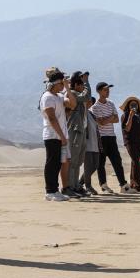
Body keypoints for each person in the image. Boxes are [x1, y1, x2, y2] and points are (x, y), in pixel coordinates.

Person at [91, 82, 130, 194]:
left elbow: (116, 119)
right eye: (105, 90)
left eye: (108, 90)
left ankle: (123, 185)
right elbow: (101, 122)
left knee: (117, 161)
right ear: (99, 91)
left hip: (111, 137)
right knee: (101, 163)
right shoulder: (95, 107)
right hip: (101, 138)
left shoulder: (111, 103)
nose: (107, 92)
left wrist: (106, 119)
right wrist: (109, 118)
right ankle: (103, 185)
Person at [40, 71, 70, 201]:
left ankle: (55, 190)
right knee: (52, 163)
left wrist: (68, 88)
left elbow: (72, 104)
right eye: (62, 83)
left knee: (57, 163)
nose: (63, 85)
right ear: (56, 83)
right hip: (52, 135)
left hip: (58, 135)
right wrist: (62, 136)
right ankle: (50, 191)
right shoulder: (47, 97)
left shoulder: (58, 96)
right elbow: (52, 119)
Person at [66, 71, 92, 196]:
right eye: (81, 84)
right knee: (73, 161)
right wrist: (86, 81)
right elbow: (86, 97)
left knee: (78, 161)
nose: (83, 87)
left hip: (81, 130)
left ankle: (76, 186)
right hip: (75, 130)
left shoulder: (77, 93)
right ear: (76, 85)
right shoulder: (72, 94)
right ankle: (70, 186)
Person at [120, 96, 140, 192]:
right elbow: (127, 128)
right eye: (132, 104)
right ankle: (138, 185)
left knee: (134, 162)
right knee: (136, 161)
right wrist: (131, 116)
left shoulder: (139, 117)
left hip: (139, 142)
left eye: (135, 104)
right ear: (128, 106)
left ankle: (132, 184)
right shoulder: (125, 115)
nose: (134, 106)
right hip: (130, 142)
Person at [84, 96, 102, 195]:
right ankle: (88, 186)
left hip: (95, 144)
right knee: (88, 166)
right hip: (86, 144)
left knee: (95, 165)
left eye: (92, 102)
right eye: (89, 101)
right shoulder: (81, 113)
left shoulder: (91, 114)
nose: (90, 103)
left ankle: (80, 183)